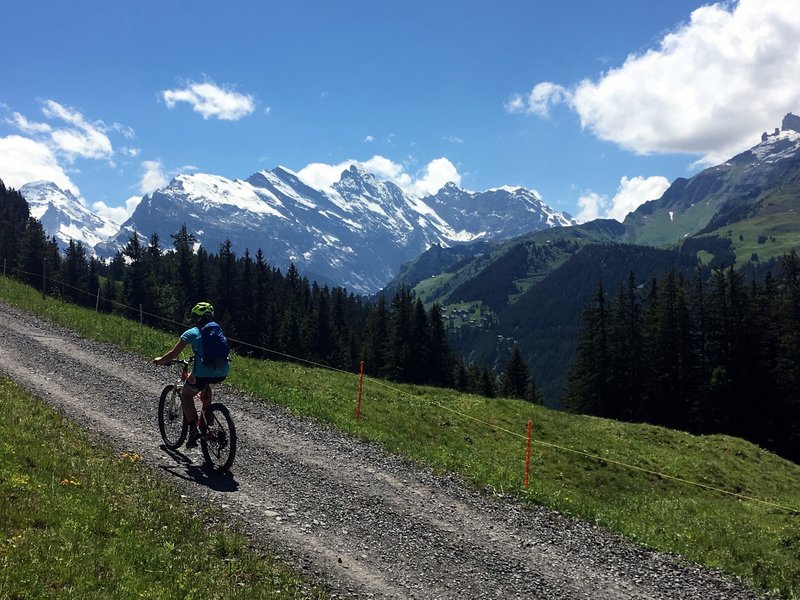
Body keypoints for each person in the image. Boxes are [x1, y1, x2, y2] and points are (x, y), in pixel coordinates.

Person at [154, 301, 230, 448]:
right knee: (206, 385)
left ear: (196, 318)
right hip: (222, 371)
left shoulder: (192, 333)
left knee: (186, 394)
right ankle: (208, 418)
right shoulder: (217, 331)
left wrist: (161, 360)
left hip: (202, 373)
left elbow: (173, 354)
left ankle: (193, 429)